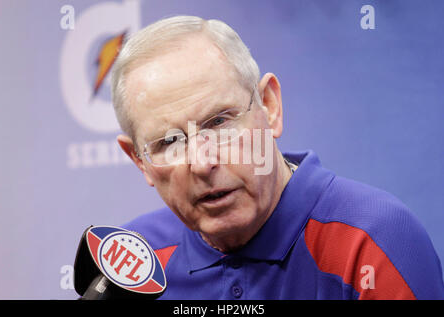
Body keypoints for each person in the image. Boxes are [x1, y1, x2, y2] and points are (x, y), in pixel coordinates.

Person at [110, 15, 444, 299]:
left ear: (269, 107)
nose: (201, 162)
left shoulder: (373, 240)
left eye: (220, 122)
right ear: (140, 160)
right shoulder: (132, 261)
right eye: (169, 142)